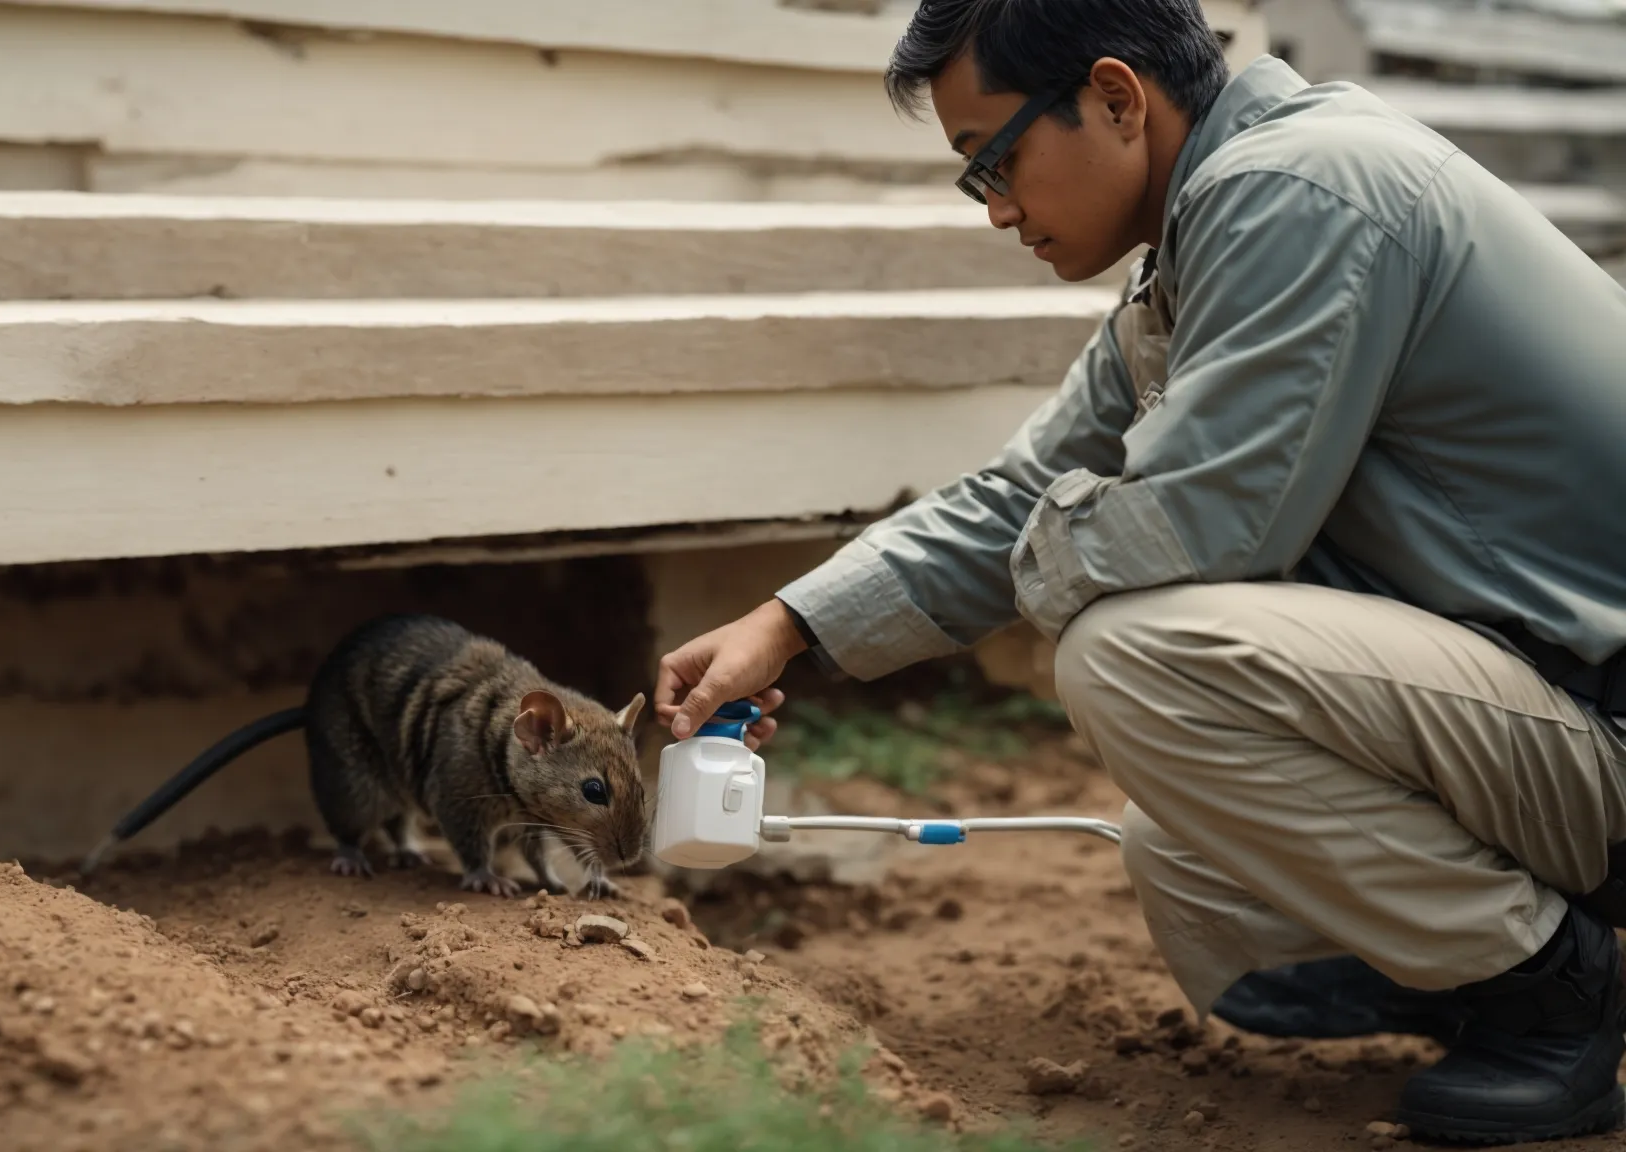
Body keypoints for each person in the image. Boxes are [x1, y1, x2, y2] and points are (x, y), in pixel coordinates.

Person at [652, 0, 1626, 1144]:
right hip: (1554, 713)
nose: (997, 209)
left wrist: (1040, 580)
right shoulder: (1204, 239)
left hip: (1602, 718)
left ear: (1116, 98)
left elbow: (1197, 526)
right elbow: (1026, 493)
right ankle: (1469, 980)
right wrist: (790, 622)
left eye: (992, 160)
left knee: (1136, 658)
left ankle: (1551, 997)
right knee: (1181, 847)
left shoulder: (1300, 192)